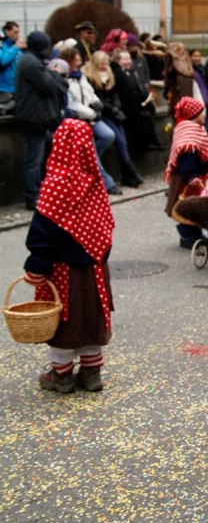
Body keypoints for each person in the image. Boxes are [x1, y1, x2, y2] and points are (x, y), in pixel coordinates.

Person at [23, 119, 114, 393]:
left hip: (62, 270)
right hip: (95, 268)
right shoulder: (95, 182)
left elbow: (43, 230)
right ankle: (91, 372)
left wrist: (37, 265)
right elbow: (105, 224)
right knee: (90, 319)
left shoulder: (55, 184)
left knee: (65, 322)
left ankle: (61, 374)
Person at [14, 32, 66, 210]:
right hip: (33, 118)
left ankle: (44, 191)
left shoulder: (32, 61)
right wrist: (54, 75)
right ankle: (32, 196)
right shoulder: (31, 63)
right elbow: (48, 86)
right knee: (33, 159)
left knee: (45, 154)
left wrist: (53, 76)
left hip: (37, 117)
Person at [62, 47, 122, 195]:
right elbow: (73, 103)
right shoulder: (65, 79)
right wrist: (91, 113)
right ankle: (106, 182)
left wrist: (96, 102)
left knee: (108, 135)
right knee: (91, 149)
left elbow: (89, 92)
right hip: (80, 118)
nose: (79, 62)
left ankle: (87, 164)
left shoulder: (80, 76)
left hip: (92, 116)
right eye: (76, 60)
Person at [83, 51, 143, 188]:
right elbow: (98, 99)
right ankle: (129, 172)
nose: (104, 65)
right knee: (117, 140)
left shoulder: (109, 75)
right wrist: (112, 108)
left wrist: (116, 106)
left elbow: (114, 94)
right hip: (104, 113)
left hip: (113, 112)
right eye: (102, 63)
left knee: (123, 142)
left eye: (106, 63)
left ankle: (128, 173)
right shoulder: (91, 77)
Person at [163, 96, 208, 249]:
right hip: (188, 179)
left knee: (196, 207)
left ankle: (196, 234)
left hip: (195, 177)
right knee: (187, 207)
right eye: (201, 112)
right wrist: (191, 176)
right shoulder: (188, 134)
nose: (204, 115)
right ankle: (187, 235)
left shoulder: (194, 128)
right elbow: (186, 158)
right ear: (193, 115)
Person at [111, 49, 163, 154]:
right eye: (124, 59)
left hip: (139, 104)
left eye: (128, 58)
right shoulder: (118, 74)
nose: (128, 61)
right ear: (117, 60)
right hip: (129, 108)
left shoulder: (130, 72)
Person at [163, 41, 195, 115]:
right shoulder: (186, 61)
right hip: (188, 98)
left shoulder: (173, 60)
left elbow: (168, 77)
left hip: (178, 96)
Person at [0, 20, 23, 109]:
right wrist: (15, 47)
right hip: (4, 89)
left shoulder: (16, 47)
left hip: (16, 88)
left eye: (18, 32)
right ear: (7, 32)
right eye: (15, 32)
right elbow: (2, 60)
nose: (18, 35)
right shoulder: (3, 44)